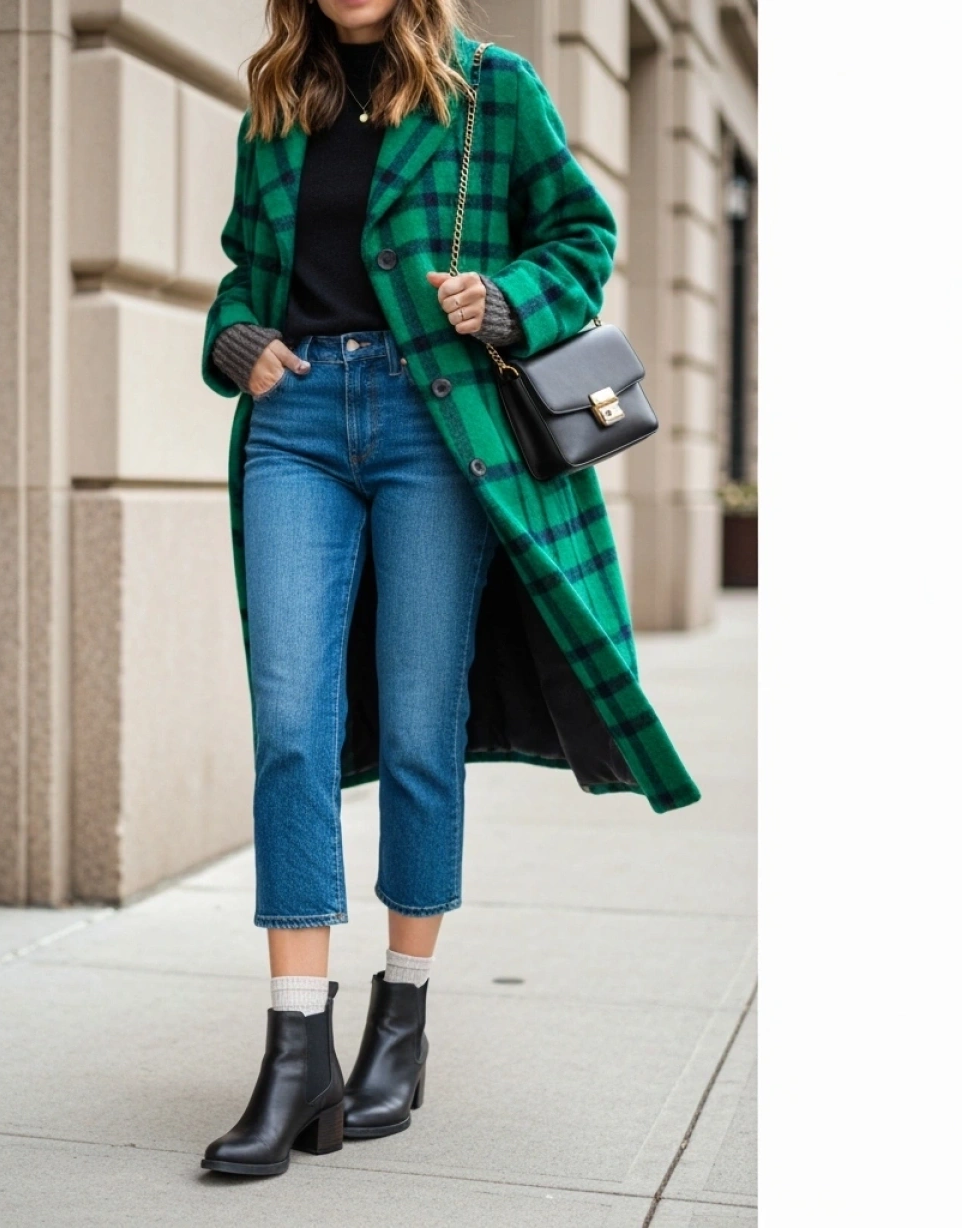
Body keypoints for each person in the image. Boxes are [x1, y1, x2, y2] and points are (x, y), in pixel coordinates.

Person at [199, 0, 699, 1178]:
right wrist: (238, 342)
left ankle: (403, 1021)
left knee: (422, 726)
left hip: (439, 429)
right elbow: (240, 275)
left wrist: (508, 299)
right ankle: (293, 1051)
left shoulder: (493, 87)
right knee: (289, 727)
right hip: (299, 421)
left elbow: (580, 235)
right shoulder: (276, 93)